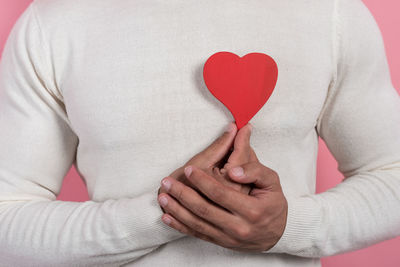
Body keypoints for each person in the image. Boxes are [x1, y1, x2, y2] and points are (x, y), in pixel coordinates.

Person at [0, 0, 399, 266]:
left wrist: (288, 226)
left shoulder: (329, 11)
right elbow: (6, 216)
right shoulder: (54, 20)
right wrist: (162, 214)